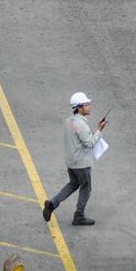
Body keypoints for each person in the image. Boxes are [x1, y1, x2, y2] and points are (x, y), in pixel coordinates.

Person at [42, 92, 107, 226]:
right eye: (86, 105)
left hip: (71, 161)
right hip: (82, 163)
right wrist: (99, 130)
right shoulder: (81, 125)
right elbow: (89, 143)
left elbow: (78, 138)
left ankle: (53, 203)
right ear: (78, 108)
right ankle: (79, 216)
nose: (89, 106)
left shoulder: (68, 121)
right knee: (86, 188)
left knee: (73, 183)